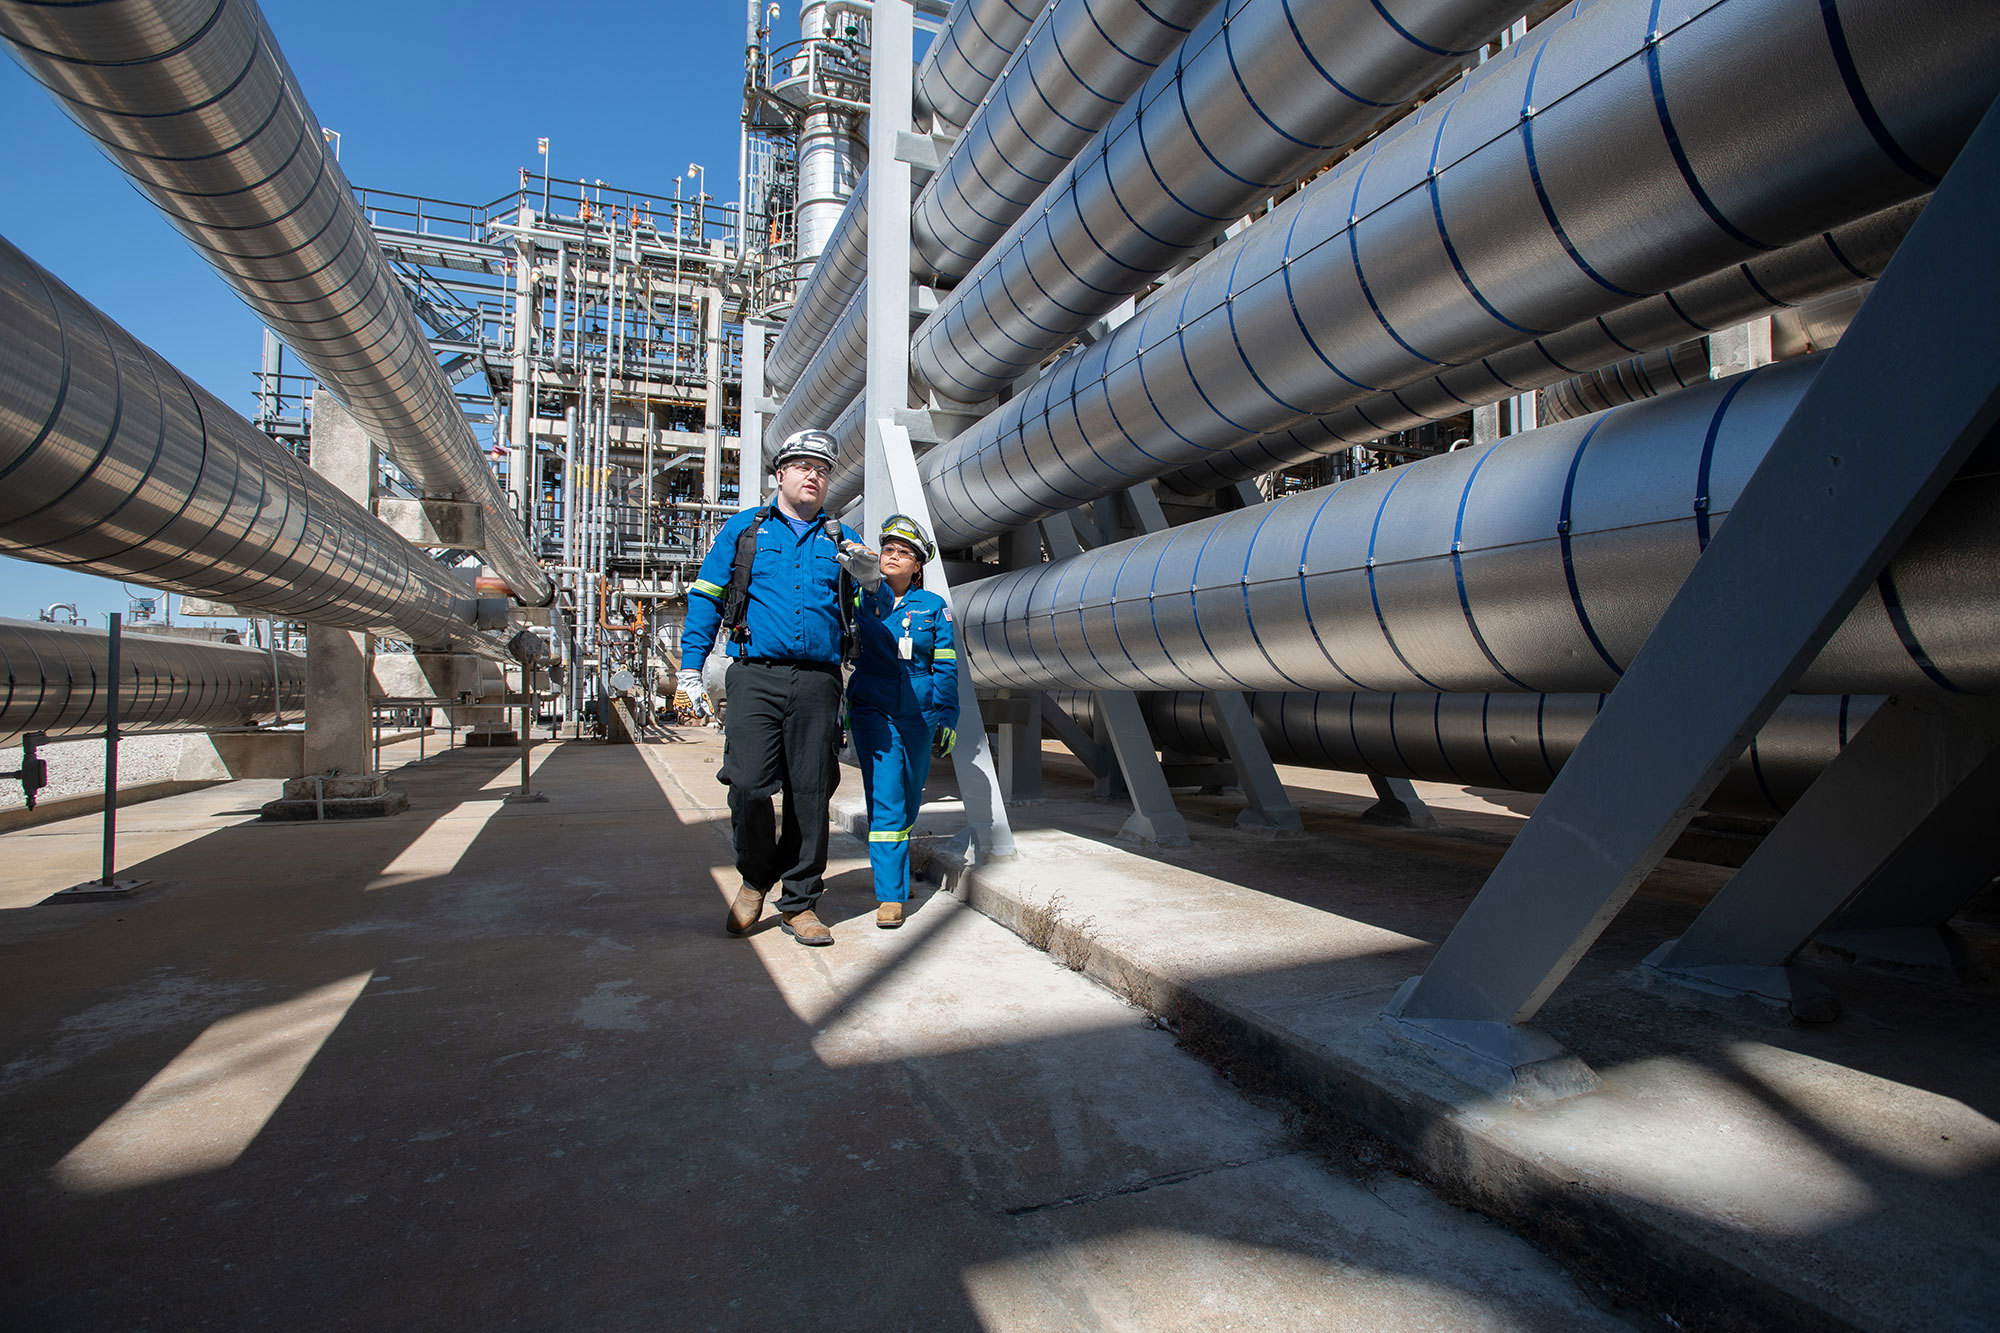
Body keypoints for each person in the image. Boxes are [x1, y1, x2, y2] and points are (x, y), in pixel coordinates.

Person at [678, 430, 880, 946]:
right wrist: (689, 667)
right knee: (747, 783)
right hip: (755, 675)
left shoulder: (841, 538)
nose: (814, 475)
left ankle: (801, 902)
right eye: (802, 466)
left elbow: (877, 607)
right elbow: (705, 594)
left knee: (810, 792)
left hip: (818, 682)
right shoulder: (745, 530)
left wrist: (873, 579)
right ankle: (753, 878)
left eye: (823, 469)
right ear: (780, 475)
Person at [847, 514, 958, 929]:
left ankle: (889, 872)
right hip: (874, 704)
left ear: (917, 565)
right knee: (889, 796)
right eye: (888, 549)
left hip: (920, 709)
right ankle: (890, 896)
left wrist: (947, 715)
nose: (893, 556)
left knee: (909, 796)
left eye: (904, 552)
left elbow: (945, 665)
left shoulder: (932, 608)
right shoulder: (863, 596)